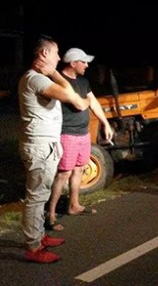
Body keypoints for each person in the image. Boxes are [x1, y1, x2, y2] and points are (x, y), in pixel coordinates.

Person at [18, 36, 90, 263]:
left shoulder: (40, 78)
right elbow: (75, 99)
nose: (59, 57)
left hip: (45, 145)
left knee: (40, 195)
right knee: (36, 197)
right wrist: (54, 74)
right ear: (44, 54)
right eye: (56, 52)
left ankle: (38, 237)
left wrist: (53, 73)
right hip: (39, 147)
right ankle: (33, 247)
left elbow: (71, 94)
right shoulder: (36, 80)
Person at [46, 48, 114, 231]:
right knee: (64, 174)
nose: (87, 65)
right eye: (83, 62)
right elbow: (80, 104)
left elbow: (93, 102)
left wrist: (105, 123)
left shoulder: (83, 81)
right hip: (66, 133)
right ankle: (50, 214)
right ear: (73, 63)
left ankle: (73, 205)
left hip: (83, 133)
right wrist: (84, 104)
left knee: (79, 169)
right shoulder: (59, 81)